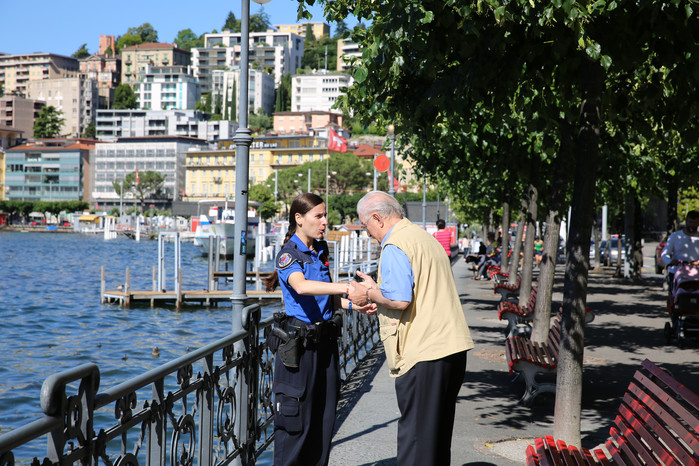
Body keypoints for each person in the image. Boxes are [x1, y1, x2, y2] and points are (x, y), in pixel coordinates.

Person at [347, 191, 474, 466]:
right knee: (436, 440)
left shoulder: (395, 244)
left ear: (377, 219)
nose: (367, 233)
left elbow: (400, 299)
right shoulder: (422, 238)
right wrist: (379, 294)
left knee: (416, 442)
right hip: (450, 348)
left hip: (424, 352)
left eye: (365, 225)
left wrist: (368, 293)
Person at [263, 193, 374, 466]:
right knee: (296, 425)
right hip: (299, 349)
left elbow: (327, 297)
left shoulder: (320, 249)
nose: (325, 222)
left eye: (326, 216)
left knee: (323, 421)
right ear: (299, 219)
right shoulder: (288, 255)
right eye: (319, 216)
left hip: (326, 344)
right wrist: (347, 287)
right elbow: (302, 286)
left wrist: (352, 306)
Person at [661, 210, 699, 292]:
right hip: (676, 271)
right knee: (676, 295)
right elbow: (665, 254)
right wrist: (670, 262)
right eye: (690, 222)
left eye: (695, 223)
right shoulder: (675, 236)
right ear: (686, 221)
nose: (692, 225)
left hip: (696, 274)